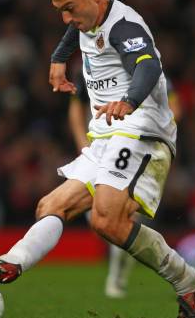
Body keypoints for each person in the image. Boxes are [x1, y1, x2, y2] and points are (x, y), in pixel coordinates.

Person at [0, 0, 195, 318]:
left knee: (106, 218)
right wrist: (59, 59)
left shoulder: (125, 26)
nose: (65, 18)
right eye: (59, 11)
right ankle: (10, 263)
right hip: (106, 133)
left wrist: (130, 101)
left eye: (69, 8)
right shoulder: (91, 17)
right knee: (52, 205)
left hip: (140, 130)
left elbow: (148, 65)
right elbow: (78, 31)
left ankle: (189, 281)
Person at [69, 73, 182, 298]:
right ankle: (123, 269)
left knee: (121, 216)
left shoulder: (147, 68)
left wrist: (153, 132)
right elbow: (75, 109)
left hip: (134, 148)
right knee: (102, 220)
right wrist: (83, 145)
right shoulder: (94, 69)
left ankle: (117, 278)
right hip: (100, 147)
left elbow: (175, 106)